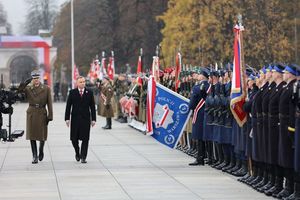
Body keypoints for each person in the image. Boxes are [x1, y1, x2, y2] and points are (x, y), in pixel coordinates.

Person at [21, 70, 53, 164]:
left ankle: (41, 149)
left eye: (37, 78)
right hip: (31, 112)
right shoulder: (28, 88)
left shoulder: (46, 88)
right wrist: (24, 84)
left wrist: (50, 115)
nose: (36, 80)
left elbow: (49, 103)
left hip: (42, 112)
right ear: (32, 79)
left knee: (42, 135)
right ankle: (34, 155)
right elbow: (19, 92)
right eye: (34, 78)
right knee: (32, 135)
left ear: (40, 78)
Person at [65, 76, 96, 163]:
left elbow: (92, 107)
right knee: (74, 139)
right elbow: (68, 106)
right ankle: (77, 151)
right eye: (81, 82)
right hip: (75, 119)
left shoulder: (89, 92)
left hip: (86, 119)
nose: (83, 83)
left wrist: (93, 119)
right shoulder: (72, 92)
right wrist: (67, 119)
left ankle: (83, 157)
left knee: (85, 138)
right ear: (77, 83)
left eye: (83, 82)